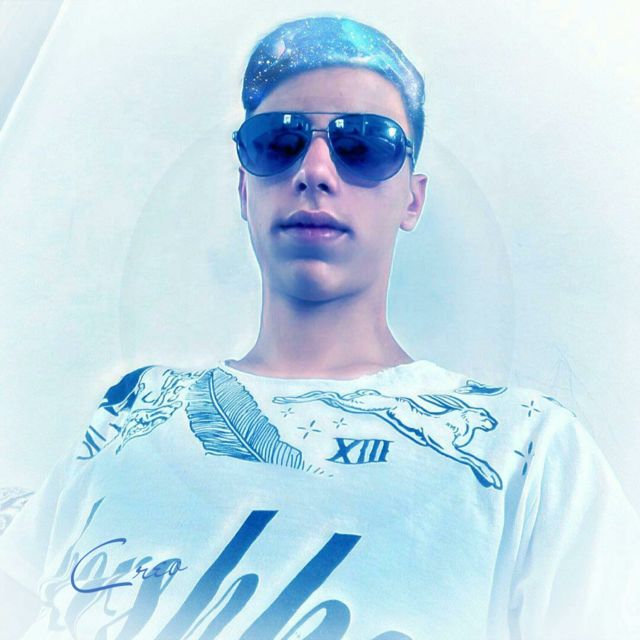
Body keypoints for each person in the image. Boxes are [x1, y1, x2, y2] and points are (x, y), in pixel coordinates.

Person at [0, 14, 639, 640]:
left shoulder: (530, 452)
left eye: (363, 145)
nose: (315, 170)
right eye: (277, 142)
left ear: (412, 198)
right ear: (244, 189)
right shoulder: (134, 412)